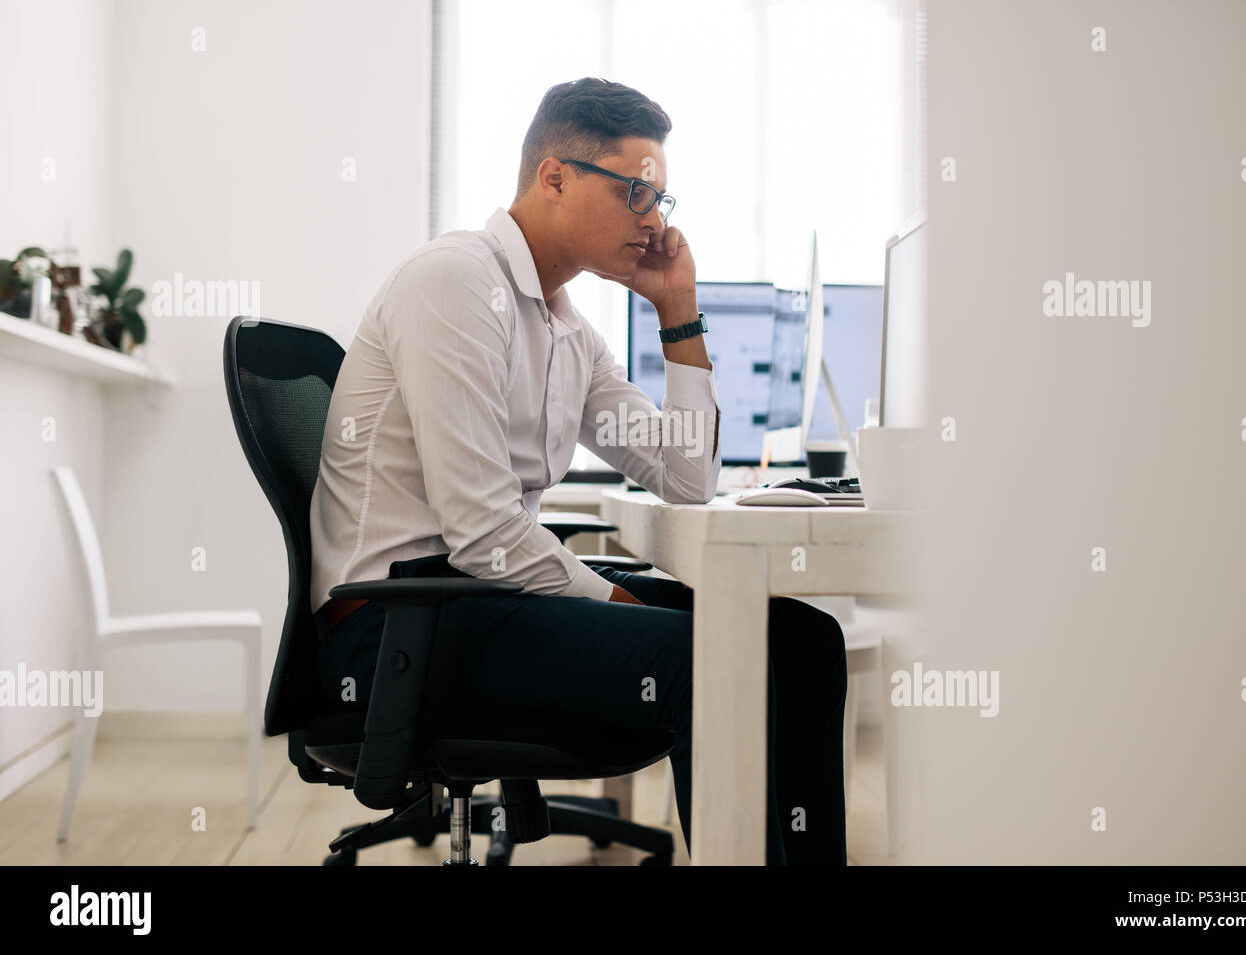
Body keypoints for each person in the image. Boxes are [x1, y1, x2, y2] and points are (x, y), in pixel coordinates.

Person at [308, 77, 847, 865]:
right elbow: (485, 530)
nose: (654, 220)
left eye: (663, 199)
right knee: (722, 661)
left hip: (479, 601)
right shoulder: (454, 283)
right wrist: (622, 602)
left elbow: (687, 477)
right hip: (401, 629)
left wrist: (678, 310)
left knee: (801, 640)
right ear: (553, 175)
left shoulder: (566, 328)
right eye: (636, 192)